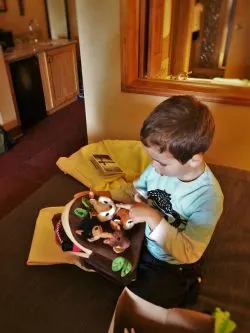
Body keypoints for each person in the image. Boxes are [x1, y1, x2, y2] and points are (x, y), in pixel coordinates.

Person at [118, 95, 223, 308]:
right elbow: (134, 190)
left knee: (138, 302)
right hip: (146, 241)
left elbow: (189, 251)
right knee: (101, 248)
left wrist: (152, 216)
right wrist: (105, 194)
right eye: (152, 160)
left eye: (162, 163)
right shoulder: (156, 170)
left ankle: (188, 286)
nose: (154, 168)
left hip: (174, 263)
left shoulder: (208, 198)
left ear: (194, 159)